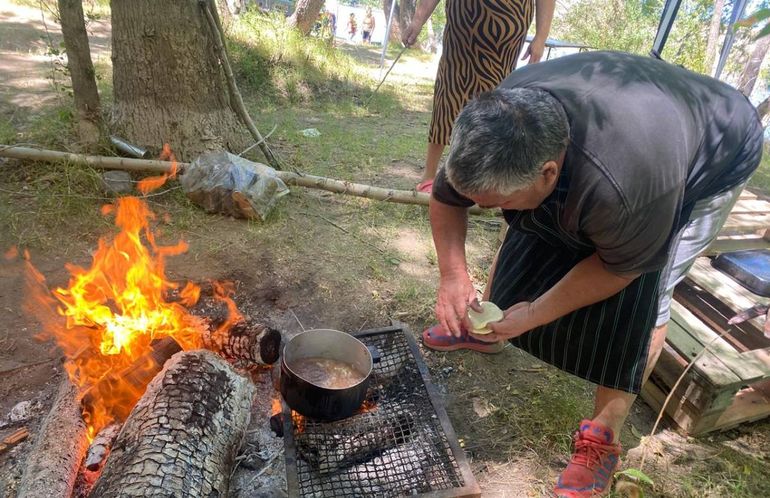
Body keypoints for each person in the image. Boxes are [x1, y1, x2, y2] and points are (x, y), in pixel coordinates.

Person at [424, 51, 763, 497]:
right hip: (635, 117)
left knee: (652, 293)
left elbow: (620, 269)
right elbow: (448, 198)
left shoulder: (628, 188)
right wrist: (453, 275)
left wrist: (535, 313)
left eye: (491, 201)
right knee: (523, 226)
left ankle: (602, 438)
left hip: (716, 150)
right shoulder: (497, 125)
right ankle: (489, 333)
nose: (485, 209)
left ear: (549, 173)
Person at [402, 0, 555, 193]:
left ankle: (483, 176)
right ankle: (430, 174)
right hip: (462, 22)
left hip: (506, 26)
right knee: (448, 90)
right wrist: (417, 21)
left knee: (493, 101)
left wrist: (541, 37)